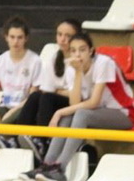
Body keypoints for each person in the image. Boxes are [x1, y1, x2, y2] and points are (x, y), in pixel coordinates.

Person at [20, 33, 134, 181]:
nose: (77, 55)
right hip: (99, 113)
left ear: (91, 51)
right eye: (73, 50)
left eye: (82, 50)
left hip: (124, 113)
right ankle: (46, 164)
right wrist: (78, 74)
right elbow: (74, 103)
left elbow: (93, 102)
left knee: (81, 114)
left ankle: (60, 168)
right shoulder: (72, 69)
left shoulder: (104, 63)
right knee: (69, 116)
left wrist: (58, 112)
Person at [13, 18, 82, 161]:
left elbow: (77, 93)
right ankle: (19, 136)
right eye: (59, 34)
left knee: (47, 97)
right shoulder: (54, 58)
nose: (62, 39)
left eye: (67, 36)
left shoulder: (80, 58)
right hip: (58, 99)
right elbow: (46, 88)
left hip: (78, 103)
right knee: (36, 96)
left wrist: (57, 91)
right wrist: (59, 91)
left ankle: (42, 141)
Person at [0, 16, 42, 149]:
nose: (16, 42)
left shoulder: (35, 61)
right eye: (12, 37)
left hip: (23, 108)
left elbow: (33, 96)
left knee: (1, 126)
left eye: (20, 37)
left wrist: (13, 111)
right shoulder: (0, 61)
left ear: (26, 38)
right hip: (5, 106)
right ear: (6, 37)